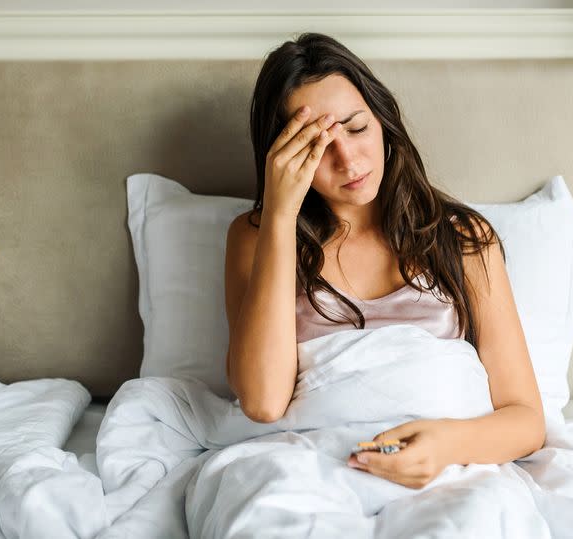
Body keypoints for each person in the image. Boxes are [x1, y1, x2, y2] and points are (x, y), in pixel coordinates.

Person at [224, 32, 545, 489]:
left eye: (356, 128)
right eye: (316, 147)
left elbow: (527, 420)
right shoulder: (256, 237)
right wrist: (279, 214)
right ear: (283, 156)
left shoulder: (463, 239)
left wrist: (447, 446)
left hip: (448, 470)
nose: (348, 159)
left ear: (383, 121)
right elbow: (262, 402)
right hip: (311, 470)